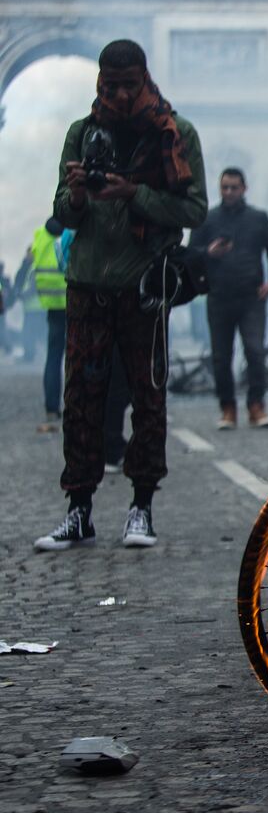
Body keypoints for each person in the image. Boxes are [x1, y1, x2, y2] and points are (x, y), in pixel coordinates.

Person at [34, 38, 207, 552]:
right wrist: (80, 194)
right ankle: (78, 510)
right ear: (99, 82)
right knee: (80, 401)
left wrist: (134, 193)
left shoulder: (176, 135)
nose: (121, 95)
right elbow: (61, 214)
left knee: (147, 398)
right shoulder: (81, 134)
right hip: (87, 286)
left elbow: (195, 210)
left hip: (143, 289)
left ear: (146, 78)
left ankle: (141, 507)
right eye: (110, 85)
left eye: (130, 84)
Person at [190, 167, 268, 429]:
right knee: (221, 357)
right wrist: (208, 253)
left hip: (251, 298)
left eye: (234, 187)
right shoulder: (208, 220)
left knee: (255, 352)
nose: (229, 192)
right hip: (218, 297)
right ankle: (228, 409)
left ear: (244, 188)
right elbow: (189, 255)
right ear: (220, 189)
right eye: (225, 187)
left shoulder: (258, 219)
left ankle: (256, 406)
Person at [31, 217, 74, 425]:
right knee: (78, 356)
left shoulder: (40, 236)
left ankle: (51, 408)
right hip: (74, 301)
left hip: (51, 305)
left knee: (54, 356)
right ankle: (76, 406)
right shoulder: (71, 232)